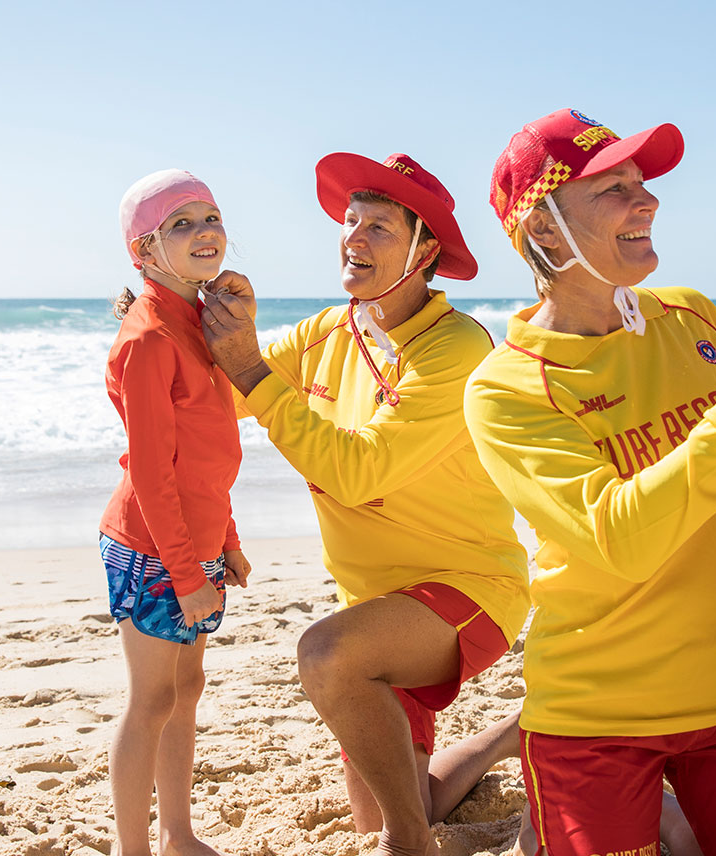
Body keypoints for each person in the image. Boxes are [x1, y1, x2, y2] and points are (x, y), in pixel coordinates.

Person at [464, 107, 716, 856]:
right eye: (612, 189)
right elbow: (620, 539)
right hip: (596, 714)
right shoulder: (506, 388)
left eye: (641, 183)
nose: (646, 201)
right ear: (543, 229)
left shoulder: (691, 318)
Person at [200, 152, 530, 856]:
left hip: (470, 590)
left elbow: (358, 473)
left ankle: (409, 845)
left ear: (425, 249)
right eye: (350, 221)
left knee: (325, 656)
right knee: (395, 802)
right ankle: (513, 736)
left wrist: (253, 367)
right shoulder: (326, 332)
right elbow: (213, 402)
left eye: (378, 226)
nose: (353, 237)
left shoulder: (457, 349)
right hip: (374, 606)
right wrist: (171, 307)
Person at [99, 169, 255, 856]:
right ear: (144, 250)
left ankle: (178, 834)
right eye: (182, 224)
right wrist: (187, 573)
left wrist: (227, 538)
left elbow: (210, 450)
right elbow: (153, 470)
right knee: (152, 700)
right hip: (153, 546)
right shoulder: (149, 338)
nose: (204, 232)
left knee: (187, 687)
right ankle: (137, 849)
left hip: (197, 539)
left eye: (211, 217)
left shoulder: (200, 320)